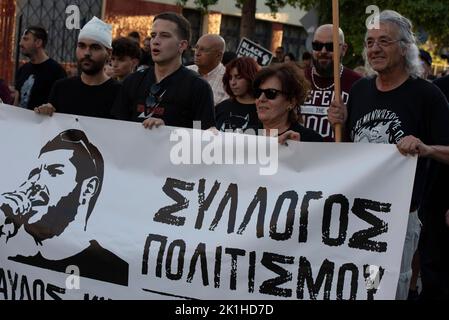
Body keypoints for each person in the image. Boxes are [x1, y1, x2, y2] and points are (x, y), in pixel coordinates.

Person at [327, 10, 449, 300]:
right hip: (357, 211)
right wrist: (340, 124)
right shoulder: (359, 90)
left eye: (384, 41)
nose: (374, 49)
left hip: (398, 216)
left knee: (388, 289)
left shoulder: (427, 95)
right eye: (369, 42)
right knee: (364, 287)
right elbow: (350, 153)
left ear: (405, 47)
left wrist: (426, 148)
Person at [0, 129, 129, 286]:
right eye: (34, 173)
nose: (34, 184)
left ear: (88, 189)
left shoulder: (115, 271)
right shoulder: (11, 259)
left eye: (54, 172)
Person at [112, 12, 215, 130]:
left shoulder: (198, 87)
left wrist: (167, 130)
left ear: (182, 45)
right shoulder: (132, 81)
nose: (155, 41)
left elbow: (201, 133)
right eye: (153, 35)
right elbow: (117, 127)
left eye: (164, 36)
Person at [35, 17, 120, 119]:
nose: (87, 53)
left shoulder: (119, 92)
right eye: (82, 46)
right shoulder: (61, 88)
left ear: (109, 53)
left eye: (95, 47)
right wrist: (45, 112)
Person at [301, 24, 361, 142]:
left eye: (330, 46)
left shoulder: (357, 84)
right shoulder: (297, 79)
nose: (323, 51)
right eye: (317, 45)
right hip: (300, 157)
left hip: (336, 157)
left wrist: (342, 126)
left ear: (343, 49)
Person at [253, 63, 323, 144]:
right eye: (258, 92)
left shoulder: (310, 140)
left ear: (291, 102)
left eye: (271, 93)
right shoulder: (244, 136)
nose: (261, 99)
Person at [14, 26, 66, 110]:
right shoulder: (22, 69)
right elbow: (16, 101)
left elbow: (61, 103)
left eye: (26, 39)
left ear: (38, 42)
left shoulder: (56, 71)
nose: (20, 43)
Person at [215, 57, 260, 132]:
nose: (233, 82)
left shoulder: (263, 111)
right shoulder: (221, 107)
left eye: (238, 77)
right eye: (230, 78)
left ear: (251, 77)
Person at [187, 34, 229, 106]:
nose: (197, 53)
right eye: (196, 48)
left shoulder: (229, 80)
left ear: (218, 55)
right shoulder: (186, 72)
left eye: (204, 50)